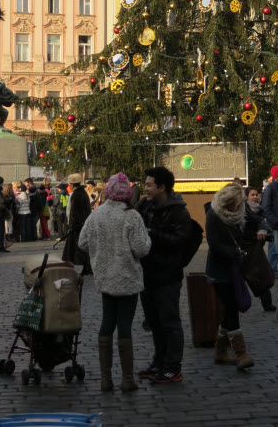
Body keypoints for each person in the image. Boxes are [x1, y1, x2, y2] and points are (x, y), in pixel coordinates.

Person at [79, 172, 151, 393]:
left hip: (105, 277)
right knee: (125, 326)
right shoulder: (132, 216)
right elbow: (142, 249)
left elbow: (82, 242)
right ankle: (127, 379)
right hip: (127, 277)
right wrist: (147, 237)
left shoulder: (96, 215)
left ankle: (105, 379)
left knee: (107, 322)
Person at [136, 166, 191, 384]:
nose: (146, 189)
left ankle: (173, 367)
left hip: (168, 276)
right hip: (146, 275)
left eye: (149, 185)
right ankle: (159, 362)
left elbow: (182, 241)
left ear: (162, 187)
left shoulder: (179, 211)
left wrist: (154, 234)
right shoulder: (144, 206)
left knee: (170, 322)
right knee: (154, 322)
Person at [206, 183, 255, 370]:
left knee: (230, 309)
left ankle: (220, 350)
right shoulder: (213, 214)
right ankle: (241, 354)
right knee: (232, 308)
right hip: (218, 272)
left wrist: (261, 229)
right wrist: (236, 252)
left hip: (234, 270)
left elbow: (252, 224)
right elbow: (214, 244)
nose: (238, 207)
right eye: (235, 203)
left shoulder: (239, 214)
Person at [244, 186, 275, 312]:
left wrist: (263, 233)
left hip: (256, 248)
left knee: (261, 277)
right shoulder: (243, 210)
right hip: (244, 248)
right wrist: (256, 234)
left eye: (256, 194)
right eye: (252, 195)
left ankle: (267, 304)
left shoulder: (260, 210)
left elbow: (264, 224)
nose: (255, 197)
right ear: (246, 197)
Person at [62, 174, 91, 271]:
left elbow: (74, 212)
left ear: (71, 184)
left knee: (77, 248)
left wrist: (72, 226)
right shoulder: (82, 193)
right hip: (80, 223)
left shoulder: (77, 194)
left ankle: (80, 266)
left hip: (77, 225)